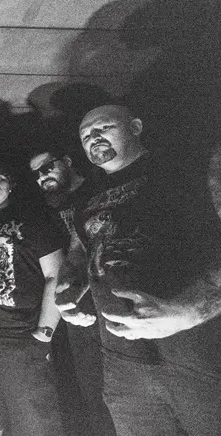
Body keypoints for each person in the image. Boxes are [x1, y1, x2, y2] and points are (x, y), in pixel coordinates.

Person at [57, 104, 221, 436]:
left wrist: (190, 312)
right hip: (123, 363)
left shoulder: (186, 174)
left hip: (195, 356)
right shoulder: (86, 199)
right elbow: (81, 253)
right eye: (85, 135)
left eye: (103, 127)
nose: (93, 137)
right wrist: (69, 288)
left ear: (135, 127)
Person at [0, 163, 65, 436]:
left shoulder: (33, 220)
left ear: (11, 186)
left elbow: (55, 275)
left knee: (35, 425)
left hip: (22, 338)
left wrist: (43, 335)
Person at [28, 145, 115, 435]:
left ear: (66, 161)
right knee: (89, 390)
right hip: (73, 308)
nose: (42, 177)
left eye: (46, 168)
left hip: (108, 298)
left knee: (121, 389)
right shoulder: (47, 209)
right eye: (36, 175)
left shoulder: (99, 190)